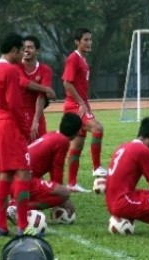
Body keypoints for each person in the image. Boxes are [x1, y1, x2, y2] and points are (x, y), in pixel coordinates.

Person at [0, 32, 33, 236]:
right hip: (10, 125)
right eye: (21, 50)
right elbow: (15, 104)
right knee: (23, 173)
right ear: (14, 50)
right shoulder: (11, 71)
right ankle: (23, 226)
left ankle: (1, 226)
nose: (23, 54)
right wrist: (25, 128)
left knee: (4, 174)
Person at [62, 28, 107, 193]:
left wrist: (85, 103)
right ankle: (96, 167)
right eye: (86, 40)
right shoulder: (73, 59)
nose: (89, 43)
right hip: (74, 106)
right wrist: (81, 103)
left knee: (77, 146)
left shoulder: (83, 60)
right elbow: (67, 83)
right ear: (77, 42)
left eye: (90, 39)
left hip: (81, 105)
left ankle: (72, 183)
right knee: (97, 128)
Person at [16, 35, 56, 143]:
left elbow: (41, 96)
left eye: (30, 47)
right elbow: (24, 82)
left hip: (36, 113)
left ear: (37, 51)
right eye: (24, 47)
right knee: (21, 151)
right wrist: (46, 89)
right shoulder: (16, 66)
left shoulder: (45, 70)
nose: (26, 50)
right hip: (18, 114)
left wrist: (36, 121)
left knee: (42, 149)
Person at [28, 112, 82, 185]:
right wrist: (58, 189)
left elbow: (52, 168)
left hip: (20, 173)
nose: (79, 133)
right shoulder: (63, 141)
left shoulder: (54, 134)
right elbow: (57, 168)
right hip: (24, 178)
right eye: (79, 130)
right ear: (76, 131)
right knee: (64, 193)